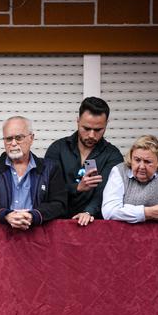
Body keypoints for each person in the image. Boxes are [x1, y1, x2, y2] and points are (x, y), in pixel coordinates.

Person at [0, 116, 66, 228]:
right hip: (0, 237)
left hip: (38, 236)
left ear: (31, 138)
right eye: (8, 139)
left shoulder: (50, 168)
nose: (13, 143)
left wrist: (33, 216)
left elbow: (59, 204)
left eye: (18, 138)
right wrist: (6, 215)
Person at [45, 96, 123, 227]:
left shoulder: (112, 155)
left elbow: (107, 193)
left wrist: (88, 212)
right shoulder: (58, 149)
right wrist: (77, 188)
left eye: (98, 130)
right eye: (86, 128)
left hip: (95, 224)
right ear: (77, 121)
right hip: (59, 223)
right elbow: (49, 188)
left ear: (106, 124)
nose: (91, 135)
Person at [101, 135, 158, 223]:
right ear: (131, 158)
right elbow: (109, 212)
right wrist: (147, 213)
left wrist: (124, 211)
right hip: (124, 234)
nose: (141, 166)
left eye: (147, 162)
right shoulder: (119, 171)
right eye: (137, 160)